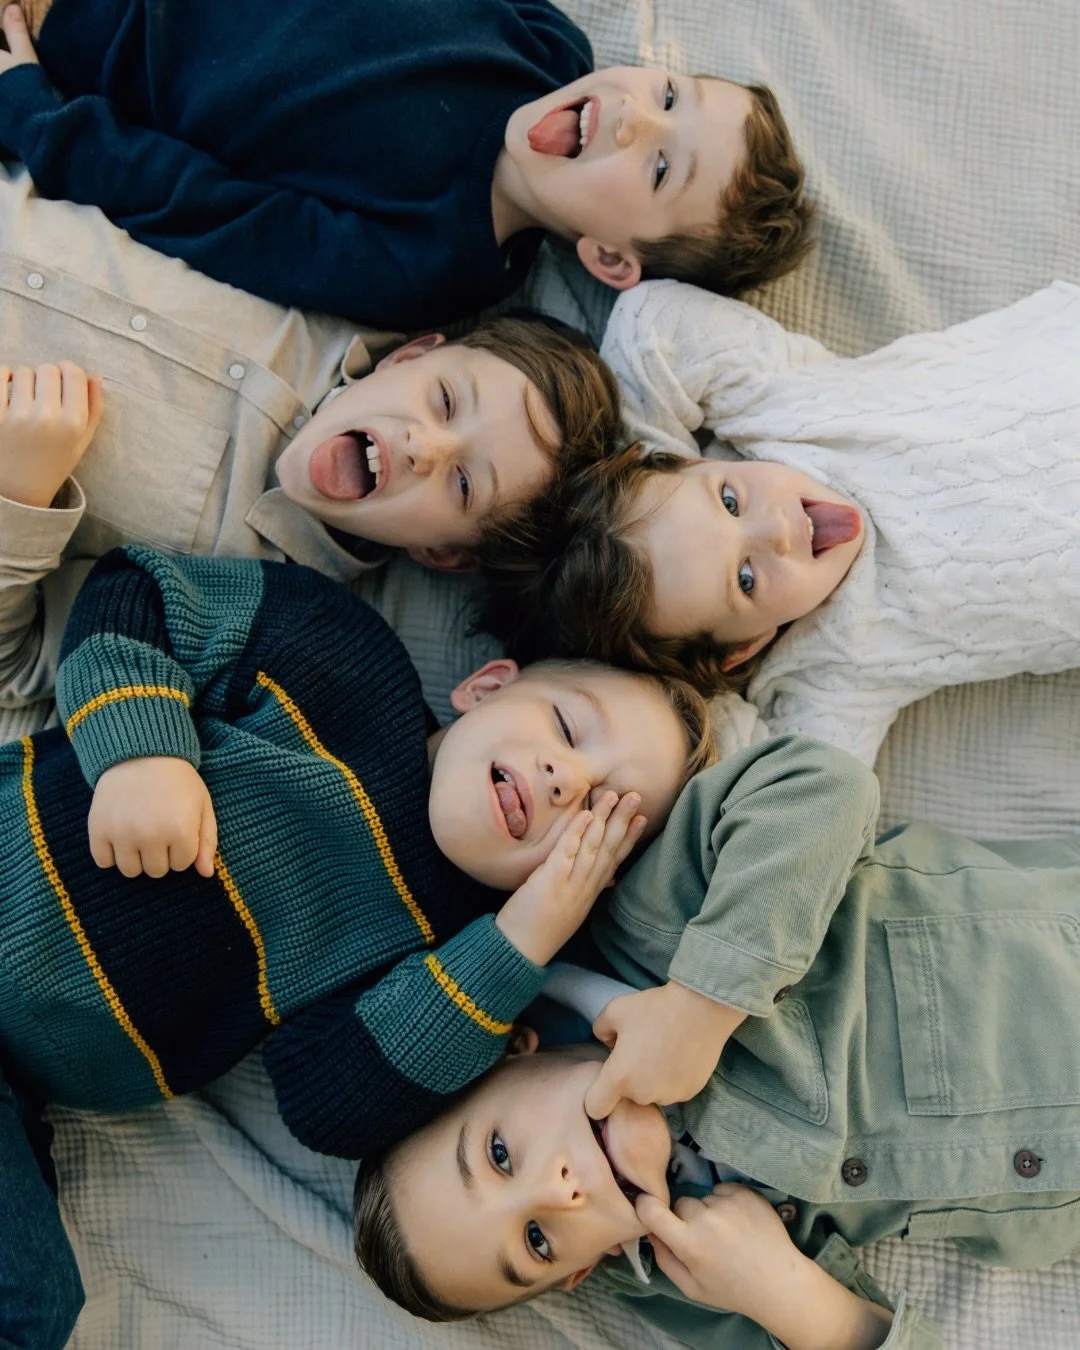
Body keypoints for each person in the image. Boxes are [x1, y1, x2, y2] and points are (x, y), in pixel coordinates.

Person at [0, 540, 714, 1349]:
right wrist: (141, 748)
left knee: (36, 1314)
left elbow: (326, 1099)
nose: (566, 782)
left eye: (601, 819)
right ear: (487, 686)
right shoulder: (340, 655)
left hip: (16, 1085)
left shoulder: (456, 966)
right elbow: (140, 593)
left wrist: (522, 937)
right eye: (567, 727)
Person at [352, 732, 1080, 1348]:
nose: (557, 1190)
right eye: (538, 1241)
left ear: (514, 1049)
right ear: (584, 1270)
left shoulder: (647, 931)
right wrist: (792, 1296)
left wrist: (702, 1005)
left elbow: (820, 785)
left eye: (501, 1154)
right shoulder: (690, 1276)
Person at [476, 278, 1080, 764]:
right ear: (746, 647)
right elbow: (798, 790)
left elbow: (650, 322)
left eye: (731, 501)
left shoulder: (779, 412)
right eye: (745, 579)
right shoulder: (834, 672)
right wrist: (690, 697)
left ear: (691, 459)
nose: (778, 531)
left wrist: (641, 455)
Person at [0, 1, 812, 327]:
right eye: (669, 95)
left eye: (661, 171)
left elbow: (210, 212)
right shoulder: (549, 47)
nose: (636, 118)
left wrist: (38, 115)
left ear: (607, 257)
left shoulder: (428, 267)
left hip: (77, 37)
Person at [0, 310, 620, 735]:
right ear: (408, 355)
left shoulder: (238, 597)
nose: (421, 446)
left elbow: (19, 664)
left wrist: (20, 491)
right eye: (445, 401)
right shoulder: (323, 295)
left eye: (462, 484)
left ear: (444, 554)